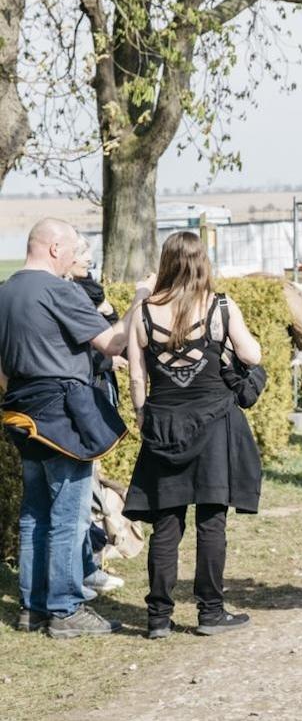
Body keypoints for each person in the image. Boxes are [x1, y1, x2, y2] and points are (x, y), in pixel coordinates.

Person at [0, 219, 148, 638]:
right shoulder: (58, 290)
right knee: (68, 514)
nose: (73, 258)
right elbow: (113, 343)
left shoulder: (5, 291)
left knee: (35, 513)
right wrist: (139, 298)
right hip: (62, 415)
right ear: (52, 248)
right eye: (72, 249)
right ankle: (65, 610)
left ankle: (33, 607)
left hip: (21, 412)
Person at [124, 231, 264, 639]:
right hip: (214, 421)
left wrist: (141, 417)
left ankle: (157, 618)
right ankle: (210, 612)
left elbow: (136, 376)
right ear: (202, 263)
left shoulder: (143, 313)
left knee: (165, 524)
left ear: (166, 264)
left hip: (164, 424)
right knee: (211, 521)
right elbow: (252, 356)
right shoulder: (221, 306)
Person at [66, 235, 126, 599]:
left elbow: (109, 327)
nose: (89, 261)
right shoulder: (69, 295)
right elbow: (88, 347)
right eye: (84, 256)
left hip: (93, 391)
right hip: (79, 396)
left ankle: (88, 565)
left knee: (88, 488)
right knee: (76, 500)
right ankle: (81, 572)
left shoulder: (89, 290)